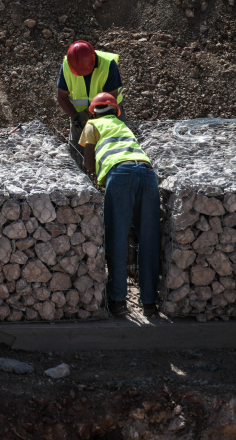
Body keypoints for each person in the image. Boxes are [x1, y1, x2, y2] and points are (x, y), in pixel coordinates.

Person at [79, 92, 159, 317]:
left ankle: (118, 301)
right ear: (116, 111)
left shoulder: (92, 125)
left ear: (93, 111)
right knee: (149, 238)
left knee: (117, 236)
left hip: (120, 173)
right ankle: (150, 304)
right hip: (147, 172)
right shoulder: (123, 127)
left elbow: (88, 163)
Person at [56, 40, 124, 165]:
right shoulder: (67, 64)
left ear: (93, 61)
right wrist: (76, 117)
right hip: (78, 113)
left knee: (114, 145)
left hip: (108, 110)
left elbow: (110, 97)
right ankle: (82, 178)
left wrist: (87, 114)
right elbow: (61, 96)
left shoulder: (108, 64)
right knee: (77, 149)